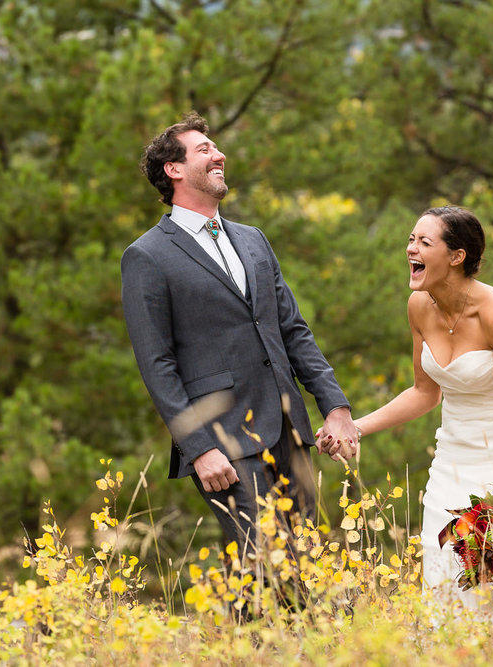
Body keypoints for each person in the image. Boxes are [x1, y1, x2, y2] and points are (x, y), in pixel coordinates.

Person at [121, 112, 359, 556]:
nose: (219, 155)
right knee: (264, 561)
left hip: (289, 428)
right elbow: (158, 365)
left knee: (307, 561)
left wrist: (335, 405)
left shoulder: (253, 240)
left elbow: (293, 330)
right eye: (204, 150)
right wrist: (198, 448)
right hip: (223, 442)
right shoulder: (146, 256)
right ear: (173, 170)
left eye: (216, 148)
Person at [337, 205, 493, 621]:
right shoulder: (419, 306)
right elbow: (424, 392)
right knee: (440, 568)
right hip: (452, 455)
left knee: (491, 577)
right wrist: (356, 427)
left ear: (457, 256)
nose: (411, 249)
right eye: (411, 240)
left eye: (424, 242)